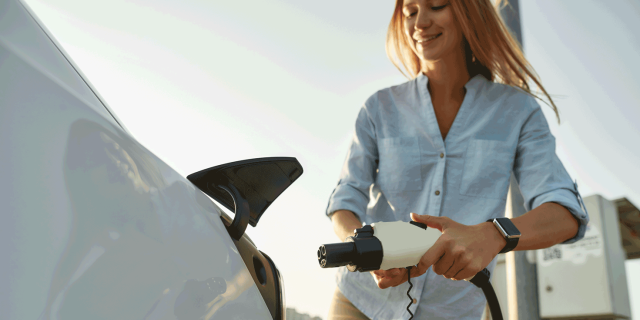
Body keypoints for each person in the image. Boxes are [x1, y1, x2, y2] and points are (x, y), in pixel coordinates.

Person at [325, 0, 589, 319]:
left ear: (470, 11)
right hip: (360, 303)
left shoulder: (517, 111)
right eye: (410, 12)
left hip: (452, 312)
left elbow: (565, 212)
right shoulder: (379, 107)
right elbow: (345, 198)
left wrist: (494, 234)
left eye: (436, 5)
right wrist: (367, 248)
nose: (420, 22)